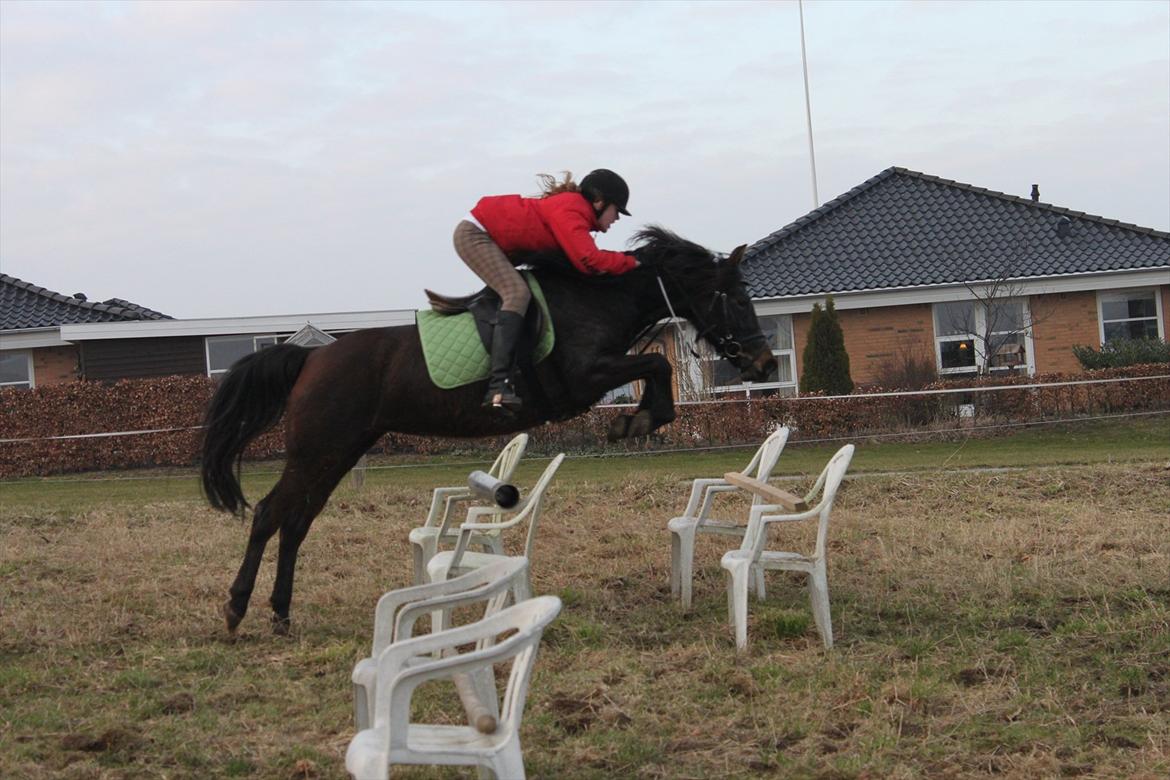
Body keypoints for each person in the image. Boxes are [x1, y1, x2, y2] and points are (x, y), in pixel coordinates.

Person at [453, 168, 641, 413]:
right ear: (599, 201)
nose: (616, 218)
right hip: (475, 235)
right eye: (617, 210)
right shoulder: (571, 210)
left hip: (487, 237)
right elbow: (589, 260)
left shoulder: (575, 213)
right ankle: (499, 386)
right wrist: (632, 262)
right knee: (517, 294)